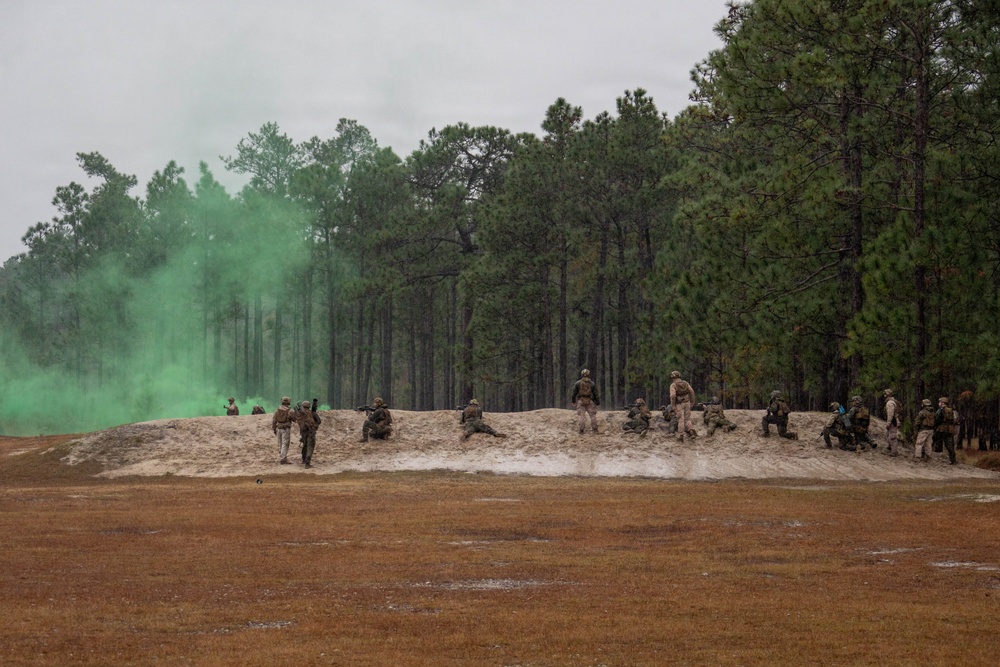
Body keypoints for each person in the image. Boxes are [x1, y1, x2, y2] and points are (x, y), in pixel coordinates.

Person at [669, 371, 697, 442]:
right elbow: (691, 391)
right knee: (687, 419)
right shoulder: (685, 383)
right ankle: (691, 432)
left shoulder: (673, 385)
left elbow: (672, 395)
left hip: (679, 404)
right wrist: (692, 401)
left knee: (680, 419)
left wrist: (673, 405)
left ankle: (681, 436)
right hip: (687, 402)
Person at [570, 369, 600, 434]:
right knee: (592, 416)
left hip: (581, 401)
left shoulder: (578, 383)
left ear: (581, 375)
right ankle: (595, 429)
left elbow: (574, 393)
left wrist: (573, 401)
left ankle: (581, 430)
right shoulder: (592, 383)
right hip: (589, 401)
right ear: (589, 375)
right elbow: (596, 394)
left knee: (581, 416)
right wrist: (597, 402)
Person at [295, 400, 319, 468]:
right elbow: (319, 421)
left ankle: (303, 459)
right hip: (311, 431)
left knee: (304, 445)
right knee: (310, 447)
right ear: (309, 406)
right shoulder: (311, 413)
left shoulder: (299, 413)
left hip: (303, 432)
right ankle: (307, 463)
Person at [934, 396, 958, 465]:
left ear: (942, 403)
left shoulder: (940, 410)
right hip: (950, 430)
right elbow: (955, 420)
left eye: (939, 402)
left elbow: (937, 419)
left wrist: (935, 426)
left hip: (941, 429)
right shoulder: (952, 411)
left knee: (931, 440)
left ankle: (924, 454)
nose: (938, 403)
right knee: (950, 446)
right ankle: (953, 460)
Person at [272, 396, 295, 464]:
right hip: (286, 428)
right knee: (285, 444)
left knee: (280, 443)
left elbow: (274, 420)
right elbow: (294, 419)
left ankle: (282, 456)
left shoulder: (277, 410)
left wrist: (274, 429)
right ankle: (283, 458)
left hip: (278, 428)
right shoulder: (290, 411)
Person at [883, 389, 902, 456]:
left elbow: (890, 414)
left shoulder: (890, 403)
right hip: (894, 421)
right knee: (887, 434)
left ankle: (894, 452)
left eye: (885, 394)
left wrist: (888, 423)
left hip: (893, 422)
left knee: (892, 437)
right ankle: (890, 447)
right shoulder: (893, 401)